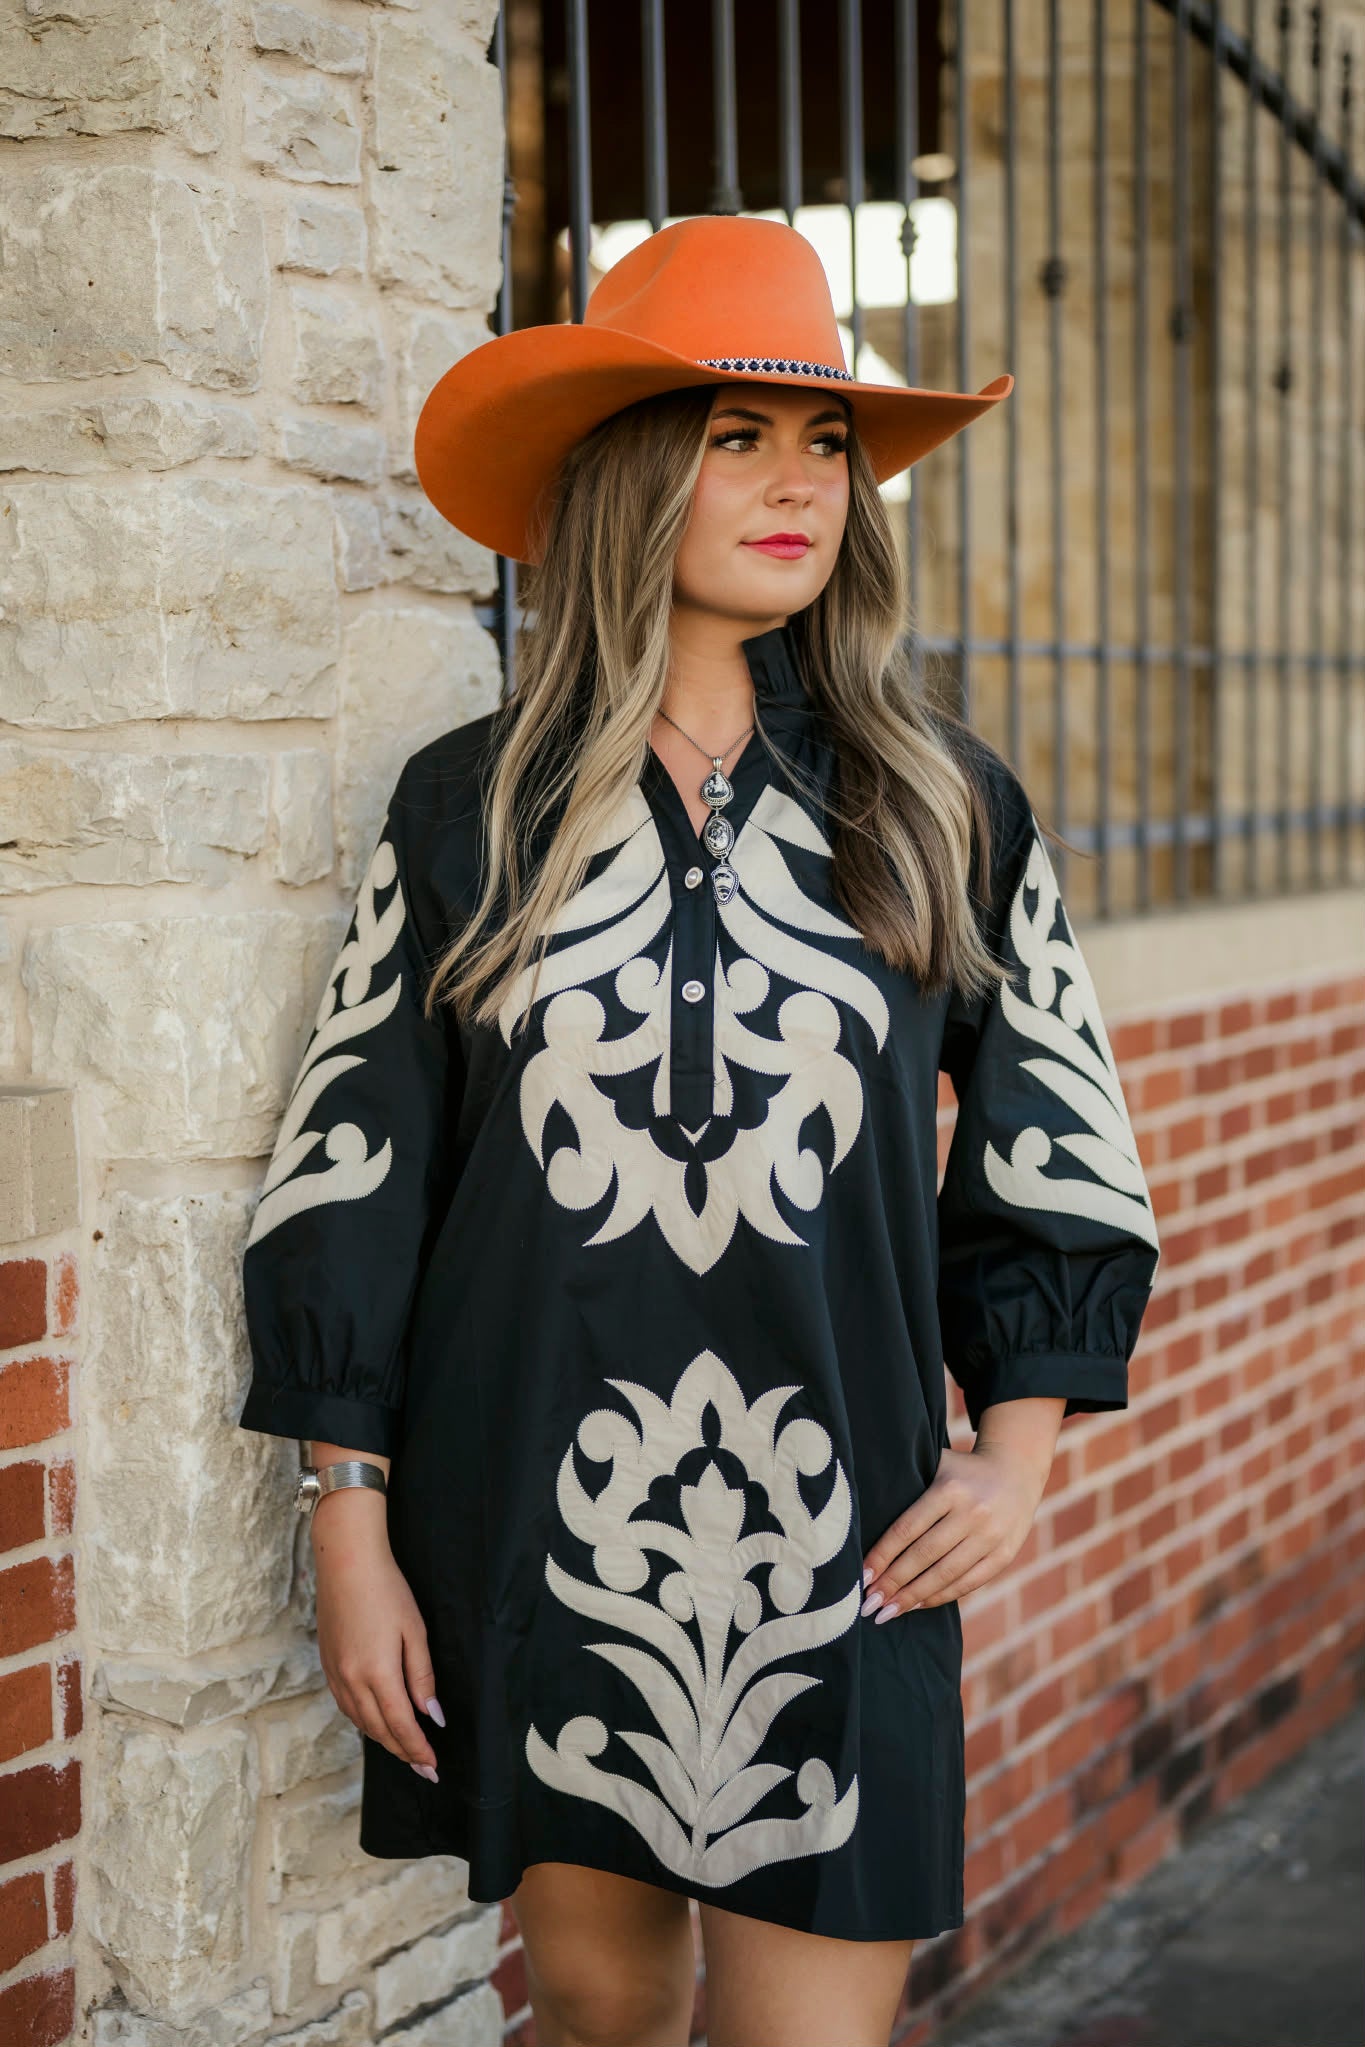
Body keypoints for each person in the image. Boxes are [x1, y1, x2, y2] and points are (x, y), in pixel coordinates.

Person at [236, 215, 1161, 2047]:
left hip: (844, 1529)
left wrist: (1019, 1458)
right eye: (735, 434)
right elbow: (355, 1172)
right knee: (591, 2018)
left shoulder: (938, 805)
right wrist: (349, 1528)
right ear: (631, 477)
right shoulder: (467, 809)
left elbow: (1056, 1142)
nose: (798, 484)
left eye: (826, 444)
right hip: (532, 1523)